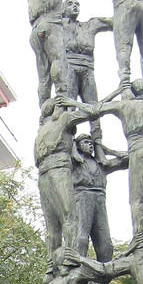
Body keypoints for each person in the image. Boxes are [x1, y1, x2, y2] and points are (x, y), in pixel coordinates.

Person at [61, 78, 143, 238]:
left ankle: (138, 241)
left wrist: (72, 102)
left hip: (140, 152)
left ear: (134, 92)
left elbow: (95, 109)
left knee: (137, 201)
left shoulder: (125, 105)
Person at [36, 99, 95, 270]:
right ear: (57, 110)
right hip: (58, 171)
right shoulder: (62, 119)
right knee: (70, 217)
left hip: (43, 175)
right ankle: (69, 260)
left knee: (52, 226)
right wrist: (71, 102)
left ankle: (51, 266)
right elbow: (91, 111)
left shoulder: (41, 130)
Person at [61, 0, 112, 145]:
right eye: (70, 4)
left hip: (88, 69)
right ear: (63, 9)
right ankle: (69, 145)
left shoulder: (90, 25)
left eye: (77, 3)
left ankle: (99, 147)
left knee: (94, 109)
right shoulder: (59, 26)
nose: (75, 6)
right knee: (70, 108)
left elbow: (115, 22)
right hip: (69, 68)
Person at [72, 134, 127, 263]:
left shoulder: (102, 164)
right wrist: (73, 146)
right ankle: (77, 268)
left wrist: (106, 150)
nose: (90, 145)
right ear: (78, 145)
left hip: (100, 199)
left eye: (92, 143)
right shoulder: (74, 162)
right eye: (86, 142)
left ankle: (104, 274)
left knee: (105, 242)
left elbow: (128, 159)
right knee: (81, 236)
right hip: (82, 196)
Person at [29, 0, 68, 106]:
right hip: (50, 23)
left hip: (35, 30)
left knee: (43, 73)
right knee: (58, 60)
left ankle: (44, 105)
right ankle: (61, 97)